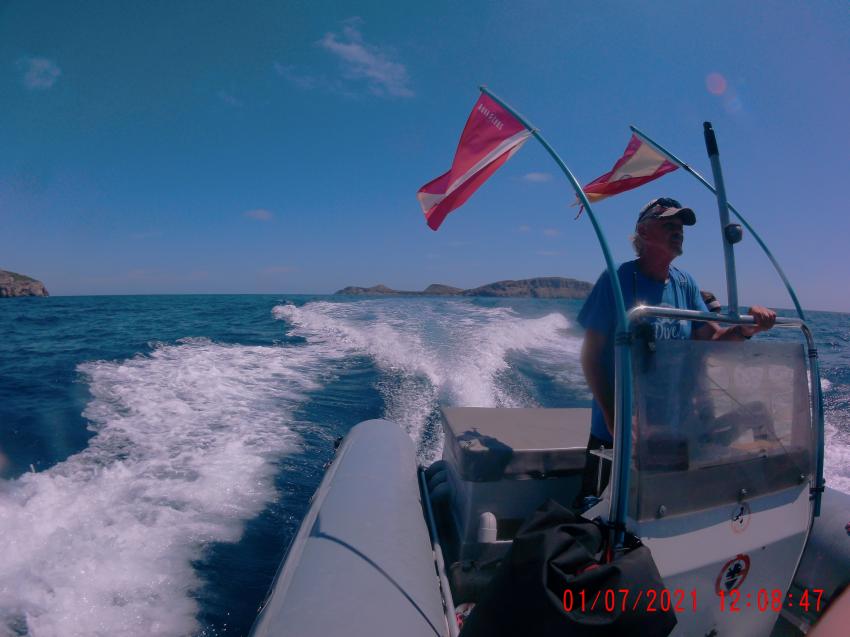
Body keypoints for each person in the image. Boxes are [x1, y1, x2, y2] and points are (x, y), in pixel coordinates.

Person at [575, 197, 777, 505]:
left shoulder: (686, 284)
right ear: (643, 232)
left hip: (671, 428)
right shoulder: (615, 280)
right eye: (669, 225)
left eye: (680, 227)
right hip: (618, 432)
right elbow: (591, 357)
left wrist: (746, 329)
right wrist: (615, 418)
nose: (678, 231)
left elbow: (710, 341)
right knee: (600, 517)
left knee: (662, 513)